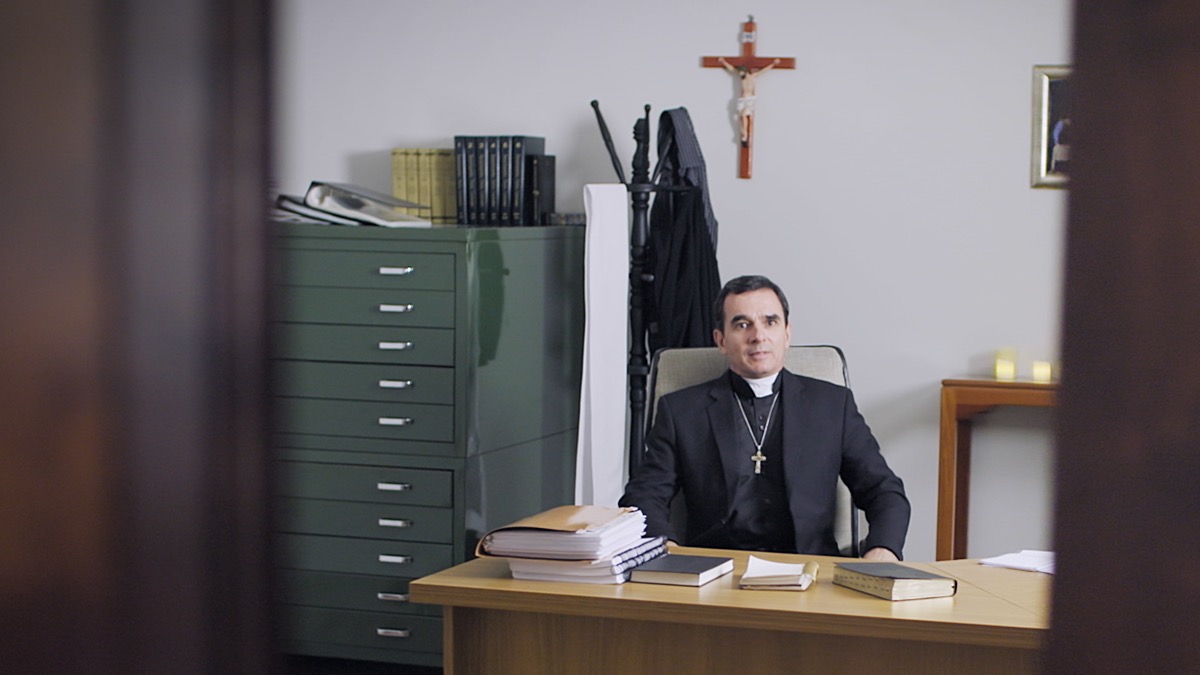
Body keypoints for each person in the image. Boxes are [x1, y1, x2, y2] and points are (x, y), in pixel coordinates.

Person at [619, 275, 910, 560]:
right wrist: (666, 549)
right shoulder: (682, 411)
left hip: (810, 570)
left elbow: (884, 491)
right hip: (715, 572)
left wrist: (882, 550)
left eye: (770, 322)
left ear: (787, 334)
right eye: (742, 324)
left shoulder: (832, 405)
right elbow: (644, 495)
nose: (758, 336)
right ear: (721, 340)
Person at [718, 57, 781, 145]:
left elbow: (764, 71)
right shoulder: (742, 77)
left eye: (741, 73)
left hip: (749, 99)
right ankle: (743, 134)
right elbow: (731, 69)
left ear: (745, 71)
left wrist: (773, 64)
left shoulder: (752, 76)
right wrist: (723, 62)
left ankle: (745, 135)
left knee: (744, 115)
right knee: (741, 117)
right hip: (742, 99)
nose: (740, 74)